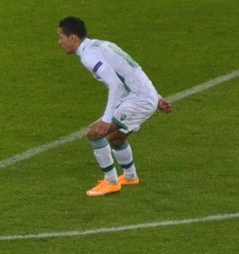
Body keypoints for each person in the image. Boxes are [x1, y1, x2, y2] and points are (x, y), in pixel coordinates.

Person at [57, 17, 172, 197]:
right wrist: (156, 97)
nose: (59, 42)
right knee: (117, 138)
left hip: (138, 100)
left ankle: (111, 182)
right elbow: (132, 69)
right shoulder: (103, 45)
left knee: (95, 133)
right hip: (141, 96)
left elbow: (116, 84)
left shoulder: (89, 56)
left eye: (61, 37)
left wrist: (106, 118)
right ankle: (130, 176)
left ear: (73, 38)